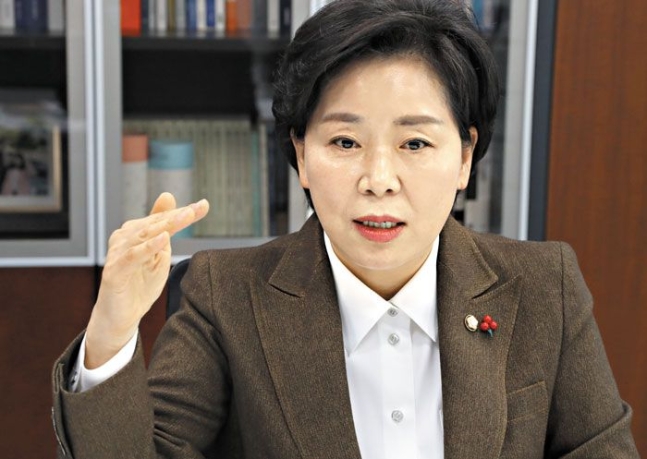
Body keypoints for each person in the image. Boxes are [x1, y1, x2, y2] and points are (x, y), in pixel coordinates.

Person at [52, 0, 639, 457]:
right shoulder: (224, 295)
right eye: (345, 142)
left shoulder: (543, 286)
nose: (378, 180)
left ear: (464, 158)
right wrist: (111, 331)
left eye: (414, 143)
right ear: (301, 155)